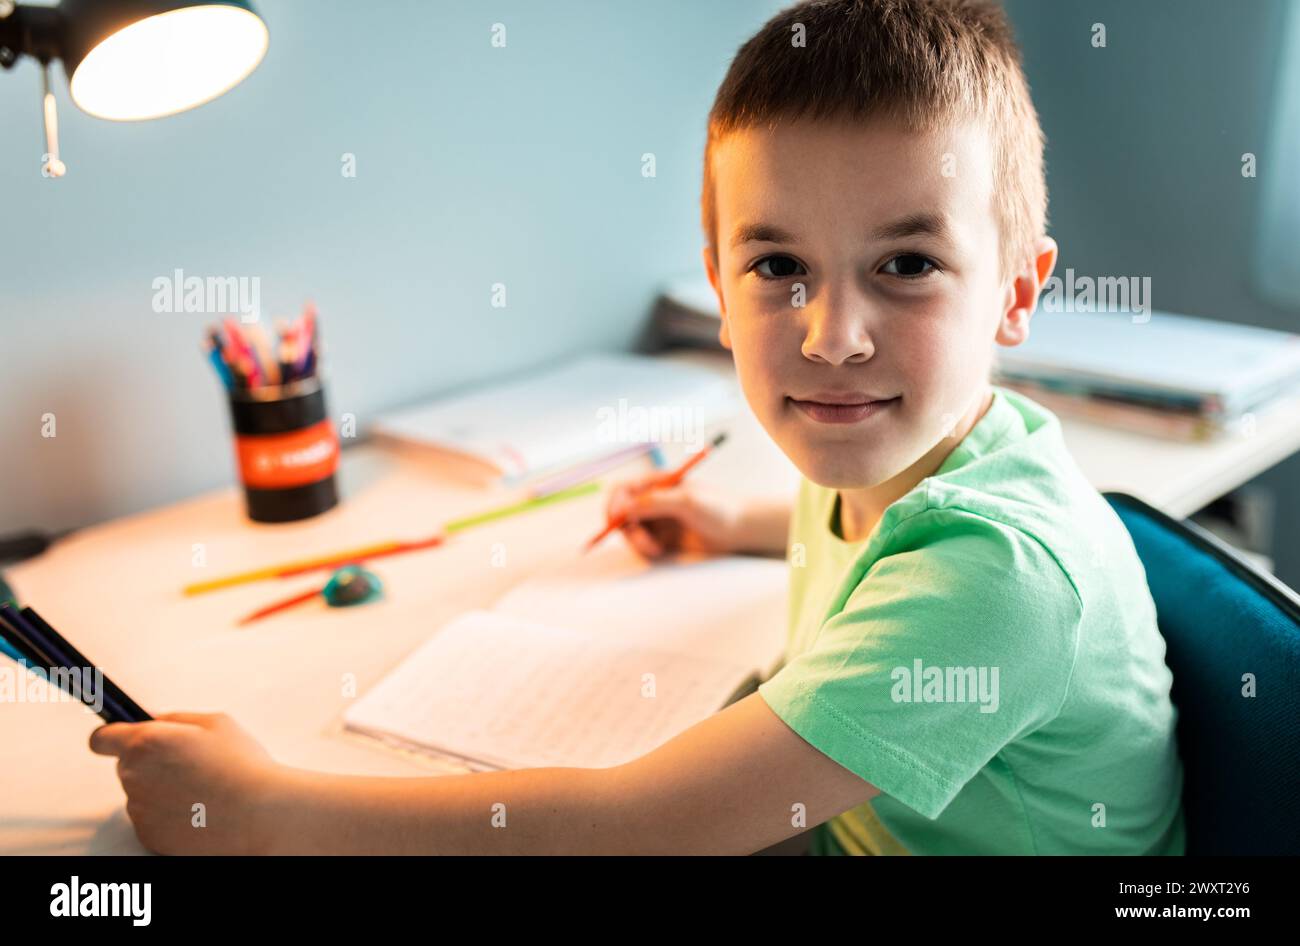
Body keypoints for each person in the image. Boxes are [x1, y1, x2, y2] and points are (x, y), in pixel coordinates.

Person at [91, 0, 1185, 855]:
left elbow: (644, 828)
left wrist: (276, 817)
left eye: (905, 264)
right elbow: (879, 536)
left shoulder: (995, 579)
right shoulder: (902, 444)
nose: (832, 335)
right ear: (718, 281)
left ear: (1013, 292)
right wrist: (739, 522)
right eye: (778, 267)